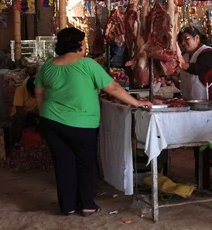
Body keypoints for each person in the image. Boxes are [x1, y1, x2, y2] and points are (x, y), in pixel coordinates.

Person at [35, 27, 150, 216]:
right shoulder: (87, 64)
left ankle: (68, 206)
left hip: (51, 122)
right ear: (79, 44)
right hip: (81, 124)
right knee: (85, 162)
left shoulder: (49, 65)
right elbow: (112, 87)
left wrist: (44, 114)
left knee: (63, 163)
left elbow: (39, 92)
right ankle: (87, 204)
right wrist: (137, 102)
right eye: (83, 42)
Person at [179, 26, 212, 191]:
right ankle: (202, 183)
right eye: (181, 41)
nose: (183, 43)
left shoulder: (208, 52)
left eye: (187, 39)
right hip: (199, 109)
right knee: (199, 147)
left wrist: (183, 65)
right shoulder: (188, 55)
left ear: (197, 39)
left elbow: (200, 69)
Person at [11, 69, 39, 148]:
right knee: (18, 119)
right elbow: (19, 111)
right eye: (33, 94)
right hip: (23, 114)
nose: (35, 96)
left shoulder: (42, 91)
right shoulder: (20, 90)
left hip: (37, 113)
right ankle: (16, 142)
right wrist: (31, 117)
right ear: (27, 89)